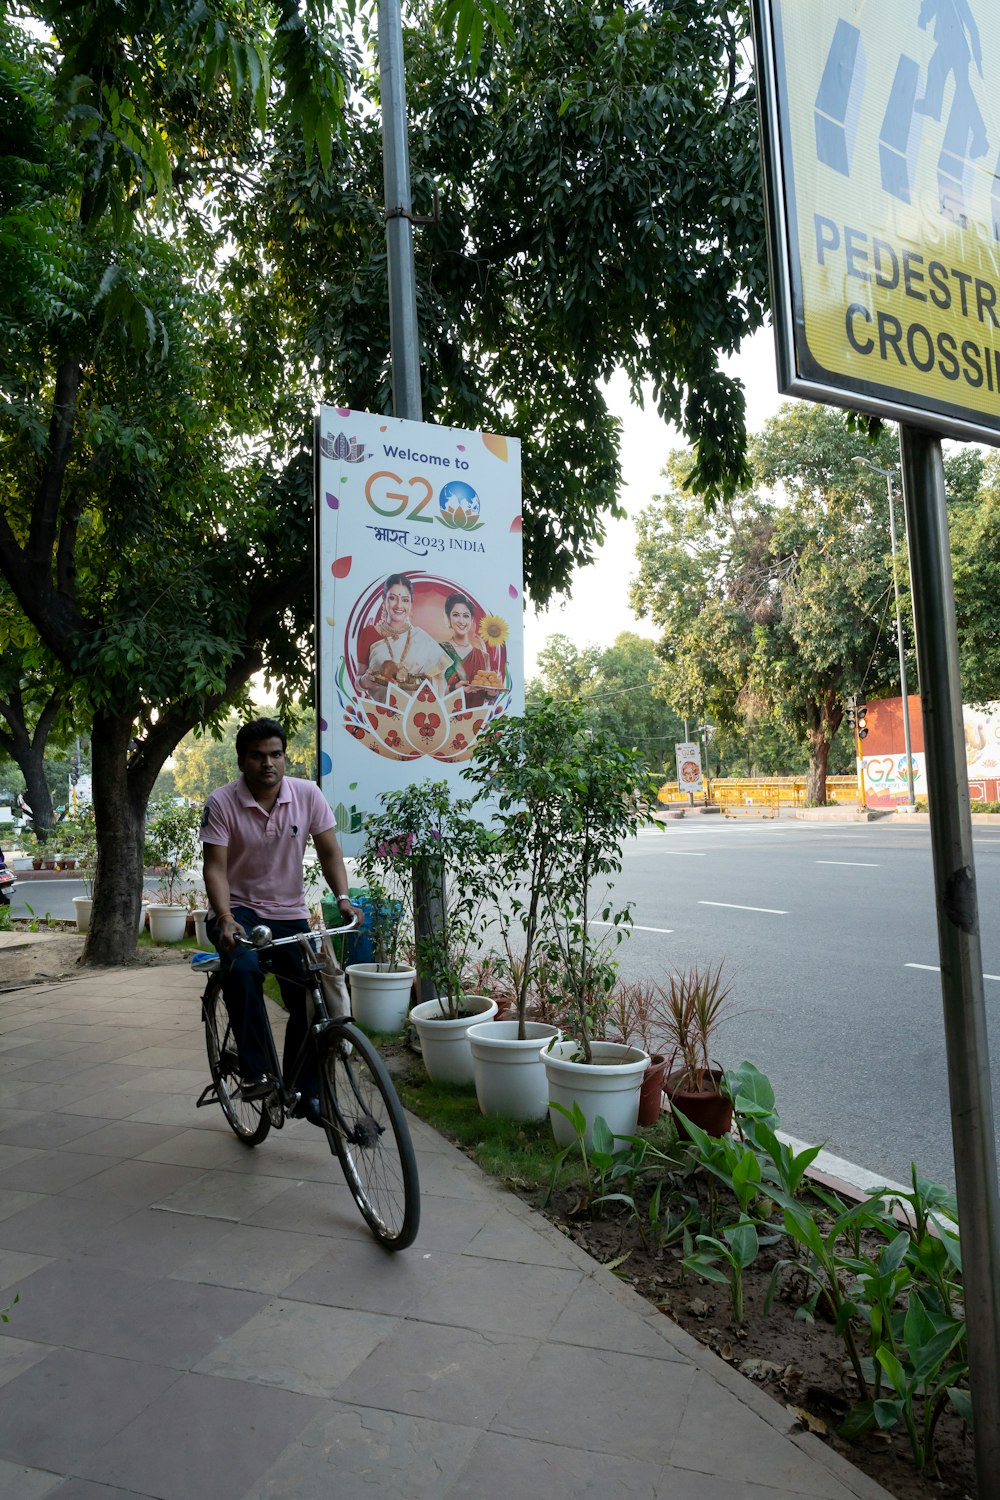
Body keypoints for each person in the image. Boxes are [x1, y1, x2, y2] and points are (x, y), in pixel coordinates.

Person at [200, 717, 355, 1123]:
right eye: (257, 756)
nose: (268, 763)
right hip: (236, 911)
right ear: (241, 761)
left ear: (285, 757)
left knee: (311, 996)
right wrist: (225, 917)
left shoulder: (307, 795)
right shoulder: (221, 802)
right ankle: (256, 1072)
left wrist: (343, 899)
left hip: (289, 915)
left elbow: (329, 853)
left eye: (276, 755)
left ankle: (303, 1091)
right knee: (244, 967)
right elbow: (214, 868)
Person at [357, 574, 449, 704]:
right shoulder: (369, 633)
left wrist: (429, 680)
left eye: (405, 600)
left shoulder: (421, 638)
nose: (399, 605)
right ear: (384, 599)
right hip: (380, 716)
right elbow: (358, 680)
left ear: (411, 602)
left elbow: (439, 675)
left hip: (416, 714)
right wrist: (363, 681)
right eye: (393, 598)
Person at [438, 592, 493, 708]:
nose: (461, 621)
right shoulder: (440, 650)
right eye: (456, 615)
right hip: (445, 720)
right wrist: (454, 688)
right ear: (448, 617)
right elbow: (432, 691)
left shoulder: (483, 657)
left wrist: (491, 694)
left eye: (466, 616)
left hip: (474, 722)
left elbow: (485, 698)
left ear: (472, 620)